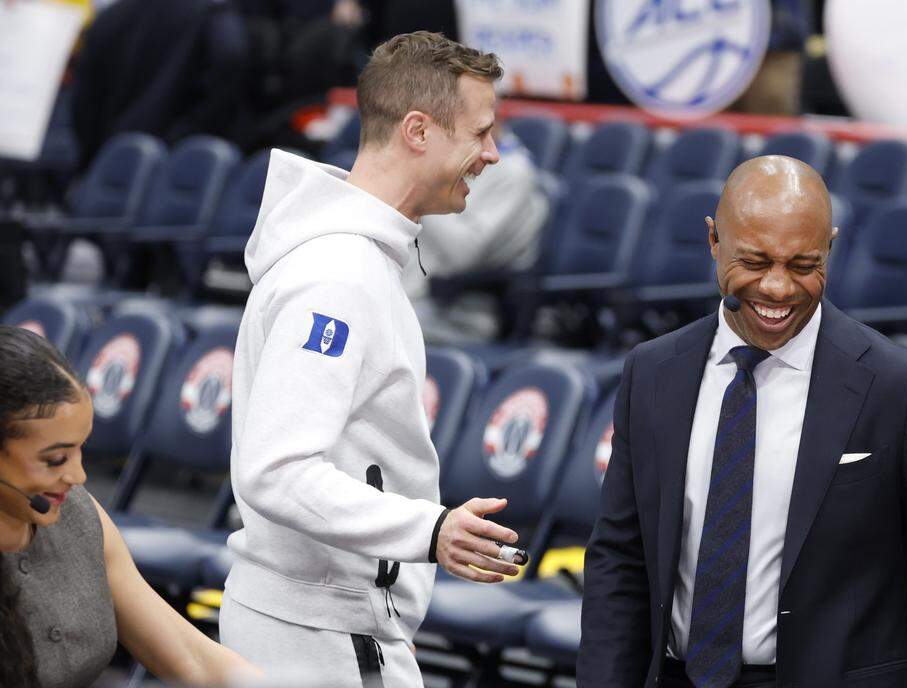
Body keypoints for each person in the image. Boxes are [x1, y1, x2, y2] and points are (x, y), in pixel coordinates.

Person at [578, 156, 907, 688]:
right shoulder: (652, 371)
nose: (778, 289)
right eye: (755, 262)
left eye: (803, 265)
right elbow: (619, 559)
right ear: (714, 241)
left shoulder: (901, 387)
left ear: (829, 245)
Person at [220, 31, 522, 686]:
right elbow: (277, 470)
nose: (493, 155)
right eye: (481, 133)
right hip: (320, 635)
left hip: (329, 625)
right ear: (419, 131)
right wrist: (429, 530)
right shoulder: (339, 275)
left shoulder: (353, 259)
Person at [0, 326, 257, 688]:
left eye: (80, 449)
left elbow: (193, 659)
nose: (79, 475)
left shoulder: (75, 515)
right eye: (55, 459)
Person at [401, 121, 549, 344]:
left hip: (458, 312)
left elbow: (462, 254)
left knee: (380, 325)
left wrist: (419, 192)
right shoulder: (446, 162)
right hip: (409, 294)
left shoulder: (513, 172)